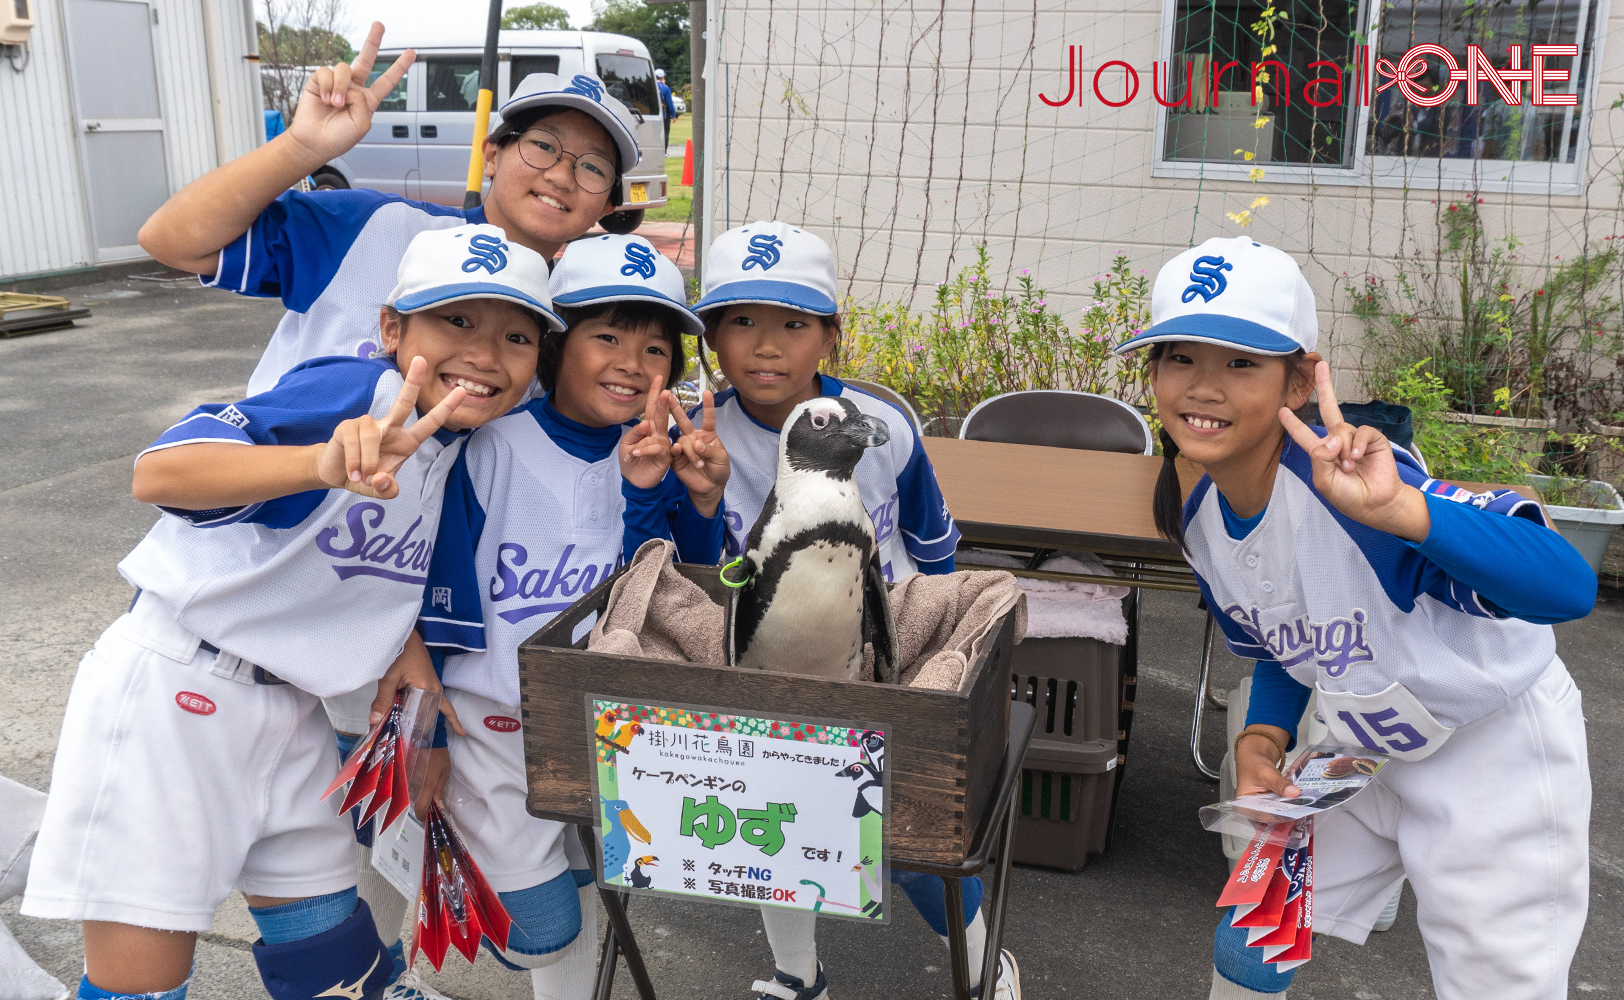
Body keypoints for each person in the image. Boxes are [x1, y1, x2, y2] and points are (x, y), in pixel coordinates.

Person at [20, 224, 556, 1000]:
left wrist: (403, 652)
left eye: (517, 335)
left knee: (338, 973)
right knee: (140, 987)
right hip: (176, 698)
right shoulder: (352, 393)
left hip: (293, 712)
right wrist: (318, 461)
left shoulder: (457, 444)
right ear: (389, 329)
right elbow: (160, 472)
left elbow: (363, 567)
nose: (486, 352)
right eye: (456, 321)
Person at [1115, 236, 1595, 1000]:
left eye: (1241, 362)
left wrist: (1408, 510)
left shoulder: (1358, 489)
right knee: (1254, 936)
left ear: (1298, 381)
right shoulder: (1200, 510)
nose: (1203, 386)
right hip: (1362, 745)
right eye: (1180, 357)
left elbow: (1569, 588)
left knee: (1499, 986)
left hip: (1493, 742)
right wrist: (1262, 735)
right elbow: (1280, 647)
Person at [690, 220, 1019, 1000]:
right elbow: (694, 568)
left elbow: (933, 557)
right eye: (741, 322)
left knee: (906, 837)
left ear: (830, 337)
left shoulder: (884, 427)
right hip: (766, 662)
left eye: (793, 324)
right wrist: (698, 497)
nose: (766, 346)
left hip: (876, 653)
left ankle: (982, 967)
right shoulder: (703, 433)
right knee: (772, 827)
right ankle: (796, 975)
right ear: (709, 338)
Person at [415, 234, 726, 999]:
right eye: (607, 336)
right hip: (494, 732)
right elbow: (435, 604)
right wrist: (426, 737)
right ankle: (403, 916)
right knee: (544, 927)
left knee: (597, 885)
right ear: (557, 346)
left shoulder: (667, 452)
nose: (631, 361)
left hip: (609, 724)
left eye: (656, 347)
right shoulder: (491, 446)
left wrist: (692, 499)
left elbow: (676, 595)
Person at [136, 22, 642, 397]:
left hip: (406, 541)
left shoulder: (577, 315)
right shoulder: (372, 227)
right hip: (261, 525)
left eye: (593, 167)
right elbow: (172, 240)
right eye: (543, 146)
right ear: (491, 154)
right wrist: (301, 148)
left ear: (610, 203)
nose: (560, 174)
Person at [656, 68, 678, 148]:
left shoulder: (651, 86)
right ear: (662, 77)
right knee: (665, 132)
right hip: (664, 114)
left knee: (655, 133)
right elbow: (669, 103)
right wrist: (673, 114)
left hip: (653, 113)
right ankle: (664, 150)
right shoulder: (665, 88)